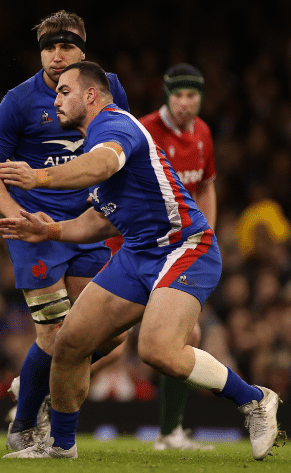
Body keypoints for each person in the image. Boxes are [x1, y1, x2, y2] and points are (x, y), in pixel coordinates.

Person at [0, 61, 281, 461]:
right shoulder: (93, 138)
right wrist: (52, 231)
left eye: (63, 91)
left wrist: (38, 177)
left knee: (158, 350)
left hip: (184, 247)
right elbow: (99, 219)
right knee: (70, 341)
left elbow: (105, 164)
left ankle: (255, 401)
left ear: (91, 96)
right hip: (138, 252)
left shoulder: (114, 126)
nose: (55, 100)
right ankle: (60, 446)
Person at [0, 9, 129, 451]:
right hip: (36, 229)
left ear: (83, 49)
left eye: (67, 46)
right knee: (57, 336)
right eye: (49, 47)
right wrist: (17, 215)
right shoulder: (18, 101)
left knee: (113, 331)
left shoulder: (109, 89)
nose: (58, 56)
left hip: (85, 227)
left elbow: (121, 150)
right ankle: (25, 430)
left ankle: (35, 381)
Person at [141, 63, 216, 451]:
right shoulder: (146, 131)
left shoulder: (202, 133)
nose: (186, 103)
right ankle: (40, 384)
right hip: (141, 249)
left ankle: (170, 433)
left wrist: (206, 238)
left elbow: (205, 187)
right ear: (167, 96)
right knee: (108, 339)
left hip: (181, 251)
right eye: (179, 95)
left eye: (192, 95)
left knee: (189, 333)